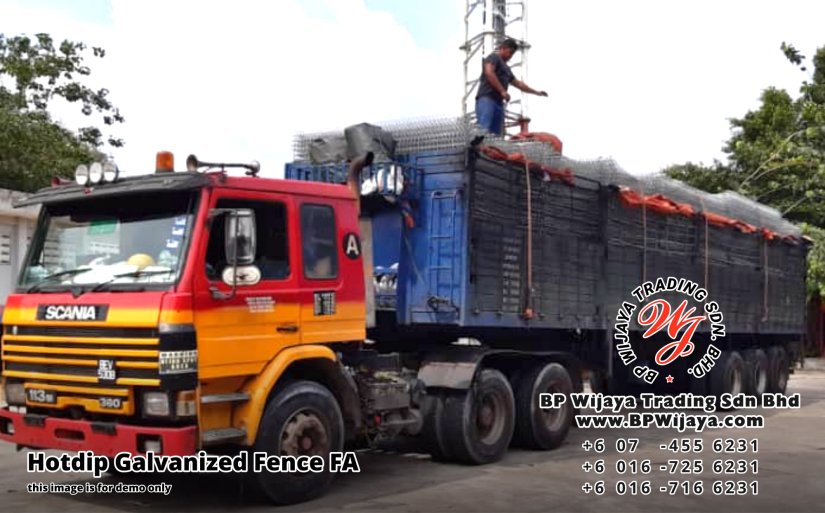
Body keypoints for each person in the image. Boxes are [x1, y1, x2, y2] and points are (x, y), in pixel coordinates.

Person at [475, 38, 548, 135]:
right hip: (487, 99)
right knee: (483, 130)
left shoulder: (506, 69)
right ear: (502, 48)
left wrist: (536, 92)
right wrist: (502, 91)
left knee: (495, 136)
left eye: (512, 54)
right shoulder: (494, 57)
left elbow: (519, 84)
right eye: (509, 52)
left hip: (498, 103)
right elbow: (489, 72)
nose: (510, 56)